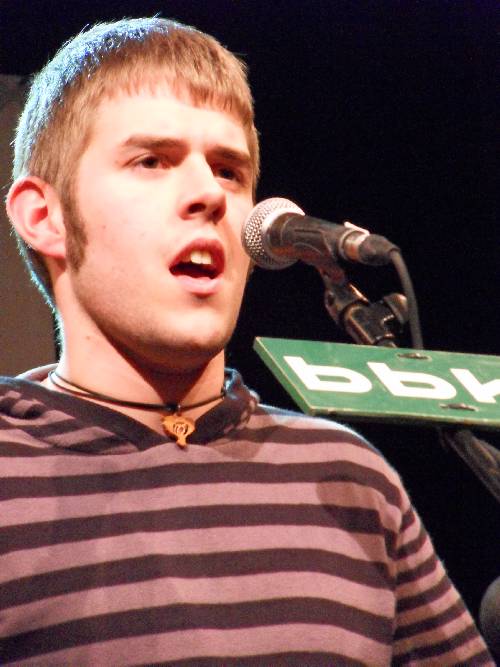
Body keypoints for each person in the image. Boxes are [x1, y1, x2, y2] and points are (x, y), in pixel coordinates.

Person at [0, 17, 493, 666]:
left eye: (229, 171)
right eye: (152, 161)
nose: (209, 193)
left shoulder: (349, 478)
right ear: (46, 216)